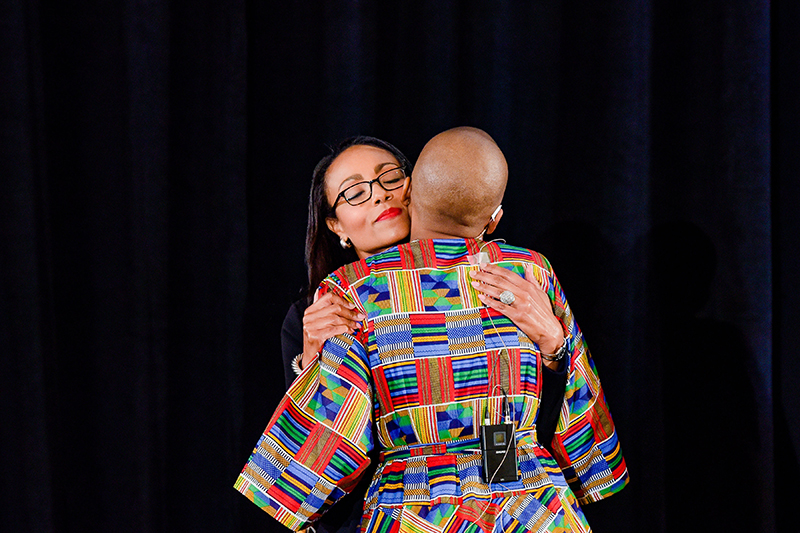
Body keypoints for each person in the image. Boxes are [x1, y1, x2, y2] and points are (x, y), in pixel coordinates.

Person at [237, 128, 628, 532]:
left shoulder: (516, 286)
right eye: (355, 192)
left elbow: (322, 451)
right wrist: (310, 359)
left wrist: (555, 347)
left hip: (416, 511)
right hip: (533, 509)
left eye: (389, 177)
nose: (379, 194)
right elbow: (586, 435)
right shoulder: (525, 270)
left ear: (412, 190)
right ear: (335, 225)